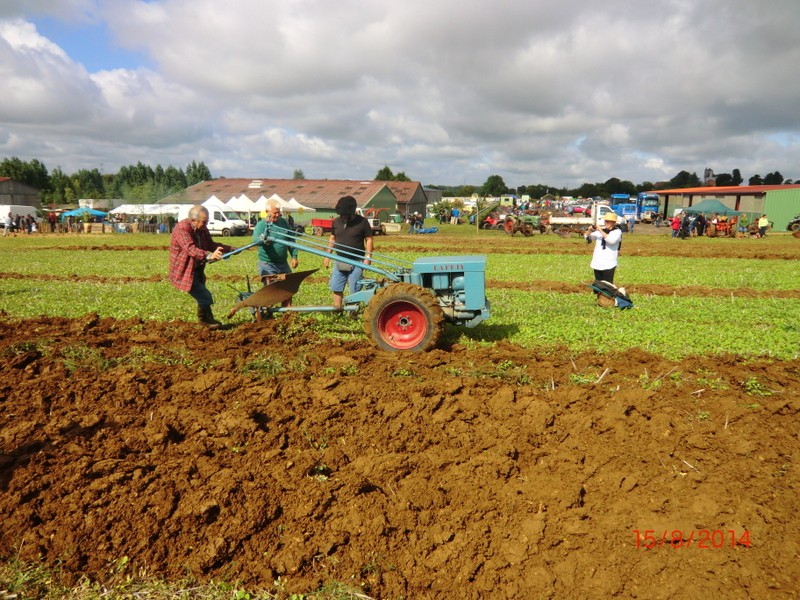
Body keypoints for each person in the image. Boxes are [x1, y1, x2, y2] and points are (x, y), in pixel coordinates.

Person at [169, 204, 235, 329]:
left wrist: (230, 249)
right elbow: (190, 248)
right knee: (205, 296)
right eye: (204, 222)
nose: (206, 225)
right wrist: (209, 256)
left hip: (197, 268)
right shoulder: (182, 229)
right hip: (184, 270)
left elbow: (210, 244)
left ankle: (209, 319)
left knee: (202, 296)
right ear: (193, 220)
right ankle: (205, 321)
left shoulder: (202, 229)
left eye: (207, 222)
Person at [322, 195, 373, 311]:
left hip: (356, 262)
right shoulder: (336, 222)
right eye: (342, 214)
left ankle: (352, 312)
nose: (343, 217)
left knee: (354, 288)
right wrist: (327, 256)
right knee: (336, 287)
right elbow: (332, 238)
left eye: (346, 214)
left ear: (353, 212)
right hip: (339, 260)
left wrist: (368, 257)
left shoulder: (362, 222)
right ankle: (337, 310)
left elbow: (369, 239)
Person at [252, 200, 299, 305]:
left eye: (278, 212)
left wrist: (294, 256)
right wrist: (262, 240)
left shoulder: (283, 223)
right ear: (267, 212)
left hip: (282, 263)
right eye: (275, 213)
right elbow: (255, 241)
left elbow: (291, 239)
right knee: (271, 290)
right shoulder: (261, 226)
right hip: (267, 264)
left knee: (288, 287)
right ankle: (268, 314)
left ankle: (287, 312)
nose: (277, 215)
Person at [584, 212, 622, 284]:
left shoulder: (617, 232)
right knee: (598, 285)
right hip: (598, 262)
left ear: (613, 222)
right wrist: (589, 230)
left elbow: (611, 240)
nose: (606, 223)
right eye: (605, 221)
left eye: (608, 221)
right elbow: (587, 238)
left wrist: (600, 230)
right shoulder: (601, 231)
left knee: (607, 286)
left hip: (609, 263)